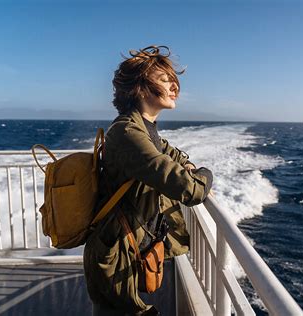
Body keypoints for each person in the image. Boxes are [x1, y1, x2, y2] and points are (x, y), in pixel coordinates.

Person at [83, 45, 213, 315]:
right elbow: (191, 190)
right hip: (115, 255)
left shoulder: (147, 130)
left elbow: (173, 155)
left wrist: (186, 163)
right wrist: (205, 174)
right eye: (165, 80)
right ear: (140, 87)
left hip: (130, 249)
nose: (175, 86)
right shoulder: (128, 133)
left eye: (174, 80)